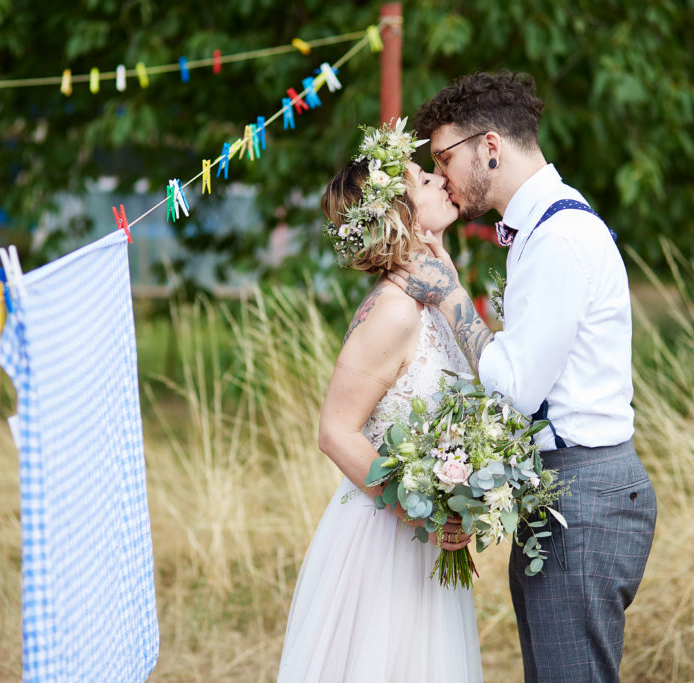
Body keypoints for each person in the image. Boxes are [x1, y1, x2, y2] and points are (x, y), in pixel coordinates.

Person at [388, 71, 657, 682]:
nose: (443, 177)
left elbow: (512, 389)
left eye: (443, 158)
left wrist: (453, 296)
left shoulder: (559, 239)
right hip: (564, 491)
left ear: (489, 147)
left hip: (582, 498)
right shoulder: (544, 231)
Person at [276, 119, 484, 682]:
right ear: (400, 215)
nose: (441, 181)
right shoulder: (393, 310)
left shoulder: (431, 293)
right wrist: (420, 510)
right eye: (423, 179)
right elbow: (335, 431)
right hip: (386, 540)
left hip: (421, 541)